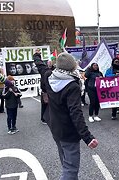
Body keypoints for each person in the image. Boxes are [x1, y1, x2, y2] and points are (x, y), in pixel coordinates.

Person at [34, 52, 98, 180]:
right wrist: (87, 137)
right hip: (68, 132)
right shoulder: (72, 86)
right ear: (72, 67)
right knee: (70, 169)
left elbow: (41, 67)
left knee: (65, 162)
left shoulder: (49, 76)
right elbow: (76, 113)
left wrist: (37, 57)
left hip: (55, 127)